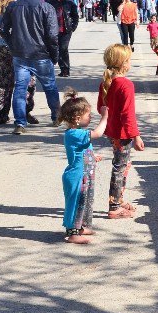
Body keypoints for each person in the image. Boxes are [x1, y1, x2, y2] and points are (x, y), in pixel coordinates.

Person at [0, 0, 61, 135]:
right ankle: (56, 116)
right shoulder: (47, 8)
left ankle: (20, 123)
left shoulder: (14, 6)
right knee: (49, 87)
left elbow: (2, 29)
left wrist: (13, 44)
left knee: (20, 88)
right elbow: (53, 36)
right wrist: (55, 56)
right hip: (41, 54)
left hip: (20, 54)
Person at [97, 44, 145, 218]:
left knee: (123, 165)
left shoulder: (106, 82)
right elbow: (128, 115)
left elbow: (100, 107)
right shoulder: (126, 84)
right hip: (123, 134)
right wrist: (136, 136)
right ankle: (114, 206)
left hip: (112, 131)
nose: (130, 62)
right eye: (129, 60)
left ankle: (118, 197)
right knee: (120, 167)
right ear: (123, 63)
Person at [58, 90, 107, 244]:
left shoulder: (78, 132)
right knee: (76, 203)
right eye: (88, 115)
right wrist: (105, 117)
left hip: (84, 174)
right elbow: (98, 133)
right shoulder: (74, 134)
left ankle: (79, 228)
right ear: (77, 118)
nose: (90, 117)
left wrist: (92, 156)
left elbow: (83, 149)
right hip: (77, 176)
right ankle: (73, 233)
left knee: (83, 202)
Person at [0, 0, 36, 125]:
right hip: (17, 47)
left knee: (6, 82)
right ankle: (24, 112)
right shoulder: (17, 3)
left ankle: (1, 115)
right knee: (28, 80)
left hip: (1, 46)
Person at [45, 0, 80, 77]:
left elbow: (75, 16)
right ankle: (60, 68)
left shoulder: (69, 2)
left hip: (66, 30)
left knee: (63, 49)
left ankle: (66, 69)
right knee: (55, 49)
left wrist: (73, 27)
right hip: (54, 30)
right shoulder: (51, 2)